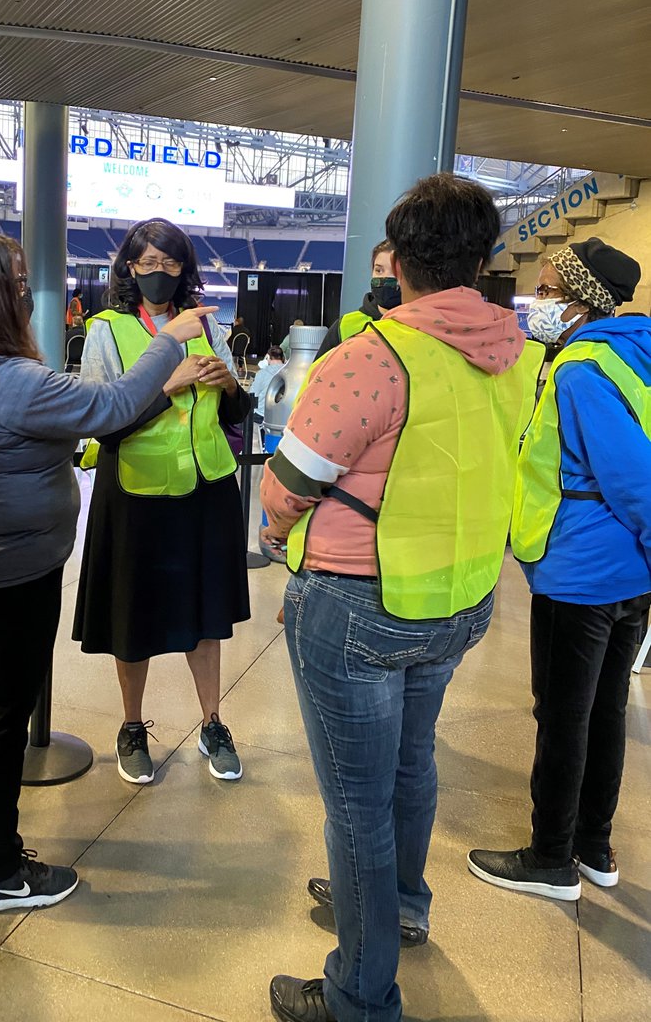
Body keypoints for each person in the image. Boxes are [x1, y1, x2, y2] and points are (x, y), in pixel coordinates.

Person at [260, 173, 542, 1022]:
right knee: (411, 767)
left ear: (399, 259)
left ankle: (359, 993)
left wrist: (276, 532)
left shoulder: (372, 356)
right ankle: (404, 907)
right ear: (483, 257)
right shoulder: (520, 356)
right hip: (458, 602)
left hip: (358, 609)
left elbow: (288, 485)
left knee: (357, 805)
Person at [0, 232, 213, 914]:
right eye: (15, 283)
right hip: (9, 572)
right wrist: (173, 342)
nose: (25, 295)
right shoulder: (13, 383)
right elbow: (112, 408)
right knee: (4, 718)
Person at [468, 239, 651, 901]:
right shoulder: (635, 354)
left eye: (547, 290)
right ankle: (593, 847)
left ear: (583, 303)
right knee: (604, 713)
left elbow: (634, 478)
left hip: (582, 571)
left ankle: (551, 859)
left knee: (565, 715)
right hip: (627, 574)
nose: (535, 301)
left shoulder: (582, 369)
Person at [73, 218, 251, 784]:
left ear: (185, 269)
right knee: (135, 615)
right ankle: (131, 726)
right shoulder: (107, 329)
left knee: (207, 614)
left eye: (170, 263)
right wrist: (166, 386)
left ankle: (212, 721)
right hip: (136, 493)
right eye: (147, 263)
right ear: (127, 266)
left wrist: (227, 386)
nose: (158, 274)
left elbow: (236, 416)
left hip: (207, 487)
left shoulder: (205, 324)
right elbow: (101, 422)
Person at [316, 239, 399, 360]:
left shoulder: (419, 325)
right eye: (379, 270)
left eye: (395, 272)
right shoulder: (344, 325)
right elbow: (318, 374)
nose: (385, 278)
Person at [250, 346, 285, 417]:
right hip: (283, 416)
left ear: (268, 358)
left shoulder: (262, 373)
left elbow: (253, 394)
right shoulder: (290, 372)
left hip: (262, 415)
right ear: (283, 358)